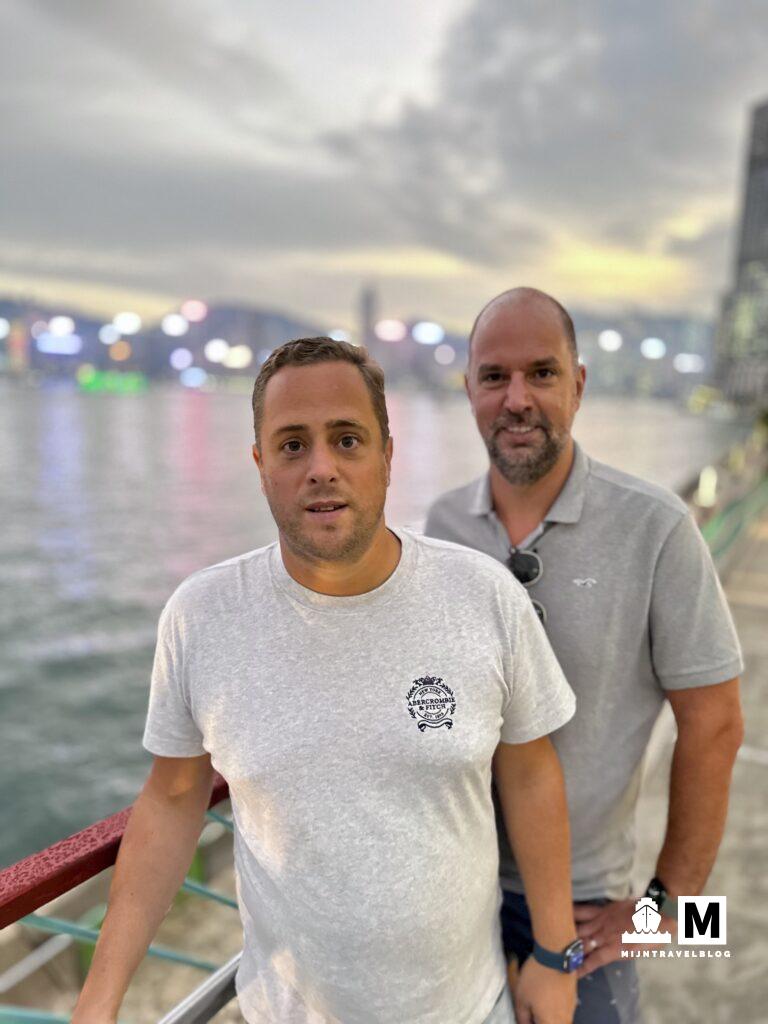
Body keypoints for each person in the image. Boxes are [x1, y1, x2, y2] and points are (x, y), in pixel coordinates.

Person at [72, 337, 583, 1024]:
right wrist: (98, 1001)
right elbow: (172, 799)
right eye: (292, 445)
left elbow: (530, 773)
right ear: (260, 465)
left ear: (386, 456)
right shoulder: (202, 616)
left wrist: (555, 955)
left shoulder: (483, 596)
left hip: (468, 1007)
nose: (321, 468)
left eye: (347, 440)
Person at [424, 288, 745, 1024]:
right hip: (449, 887)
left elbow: (718, 724)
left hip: (585, 900)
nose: (517, 399)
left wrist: (668, 912)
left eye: (541, 373)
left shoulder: (656, 526)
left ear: (578, 384)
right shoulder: (442, 526)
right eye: (494, 376)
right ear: (469, 389)